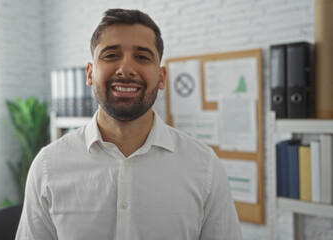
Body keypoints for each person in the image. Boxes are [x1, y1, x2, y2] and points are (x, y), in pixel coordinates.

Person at [15, 8, 242, 240]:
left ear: (162, 77)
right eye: (111, 55)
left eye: (142, 57)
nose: (125, 70)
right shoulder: (48, 167)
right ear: (90, 73)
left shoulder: (205, 168)